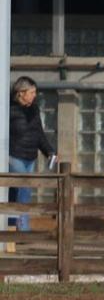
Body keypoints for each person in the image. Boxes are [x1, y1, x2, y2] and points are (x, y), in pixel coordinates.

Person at [8, 76, 57, 232]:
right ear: (21, 93)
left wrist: (49, 151)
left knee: (17, 191)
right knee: (25, 187)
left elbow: (39, 133)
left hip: (30, 156)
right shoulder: (8, 108)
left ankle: (10, 224)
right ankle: (22, 227)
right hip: (13, 155)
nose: (35, 95)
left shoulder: (34, 109)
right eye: (32, 92)